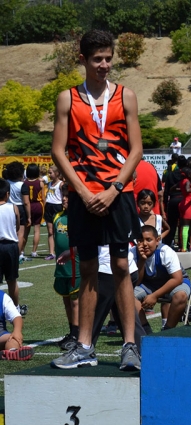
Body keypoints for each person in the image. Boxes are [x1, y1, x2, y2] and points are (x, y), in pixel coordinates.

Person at [50, 29, 143, 370]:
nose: (104, 65)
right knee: (88, 268)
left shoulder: (126, 96)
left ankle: (130, 346)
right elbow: (58, 151)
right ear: (83, 60)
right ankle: (84, 345)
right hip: (84, 196)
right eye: (97, 59)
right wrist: (84, 192)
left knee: (121, 266)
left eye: (108, 58)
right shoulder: (68, 99)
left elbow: (136, 150)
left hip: (117, 193)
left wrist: (113, 189)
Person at [133, 226, 191, 331]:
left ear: (157, 240)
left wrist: (154, 296)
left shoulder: (165, 252)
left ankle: (167, 330)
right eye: (140, 240)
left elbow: (177, 279)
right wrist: (141, 261)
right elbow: (136, 283)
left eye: (148, 240)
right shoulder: (133, 253)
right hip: (150, 284)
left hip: (174, 283)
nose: (144, 244)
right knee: (128, 296)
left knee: (181, 295)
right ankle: (145, 331)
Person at [51, 183, 81, 351]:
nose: (64, 198)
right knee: (66, 301)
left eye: (68, 196)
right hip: (61, 268)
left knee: (75, 302)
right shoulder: (57, 217)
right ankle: (71, 332)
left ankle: (77, 335)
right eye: (63, 195)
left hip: (75, 267)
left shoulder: (79, 217)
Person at [0, 179, 22, 313]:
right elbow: (18, 226)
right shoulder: (14, 207)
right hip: (11, 246)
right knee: (12, 280)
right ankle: (15, 308)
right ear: (7, 194)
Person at [0, 284, 33, 361]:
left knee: (12, 339)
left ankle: (12, 352)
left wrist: (17, 331)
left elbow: (16, 317)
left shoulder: (3, 297)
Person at [3, 162, 27, 264]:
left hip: (7, 207)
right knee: (20, 234)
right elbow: (26, 202)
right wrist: (29, 216)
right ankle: (17, 255)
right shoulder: (22, 185)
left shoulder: (6, 183)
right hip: (20, 208)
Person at [21, 163, 46, 259]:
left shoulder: (24, 182)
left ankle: (22, 251)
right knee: (37, 229)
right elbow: (43, 198)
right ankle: (34, 251)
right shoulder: (40, 183)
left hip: (27, 206)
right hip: (38, 205)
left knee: (26, 231)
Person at [44, 165, 63, 261]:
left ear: (57, 173)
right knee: (50, 232)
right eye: (48, 172)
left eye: (50, 172)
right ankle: (51, 252)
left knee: (58, 231)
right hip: (49, 207)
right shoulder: (49, 184)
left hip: (57, 207)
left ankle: (60, 250)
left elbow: (64, 197)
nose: (49, 174)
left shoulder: (61, 184)